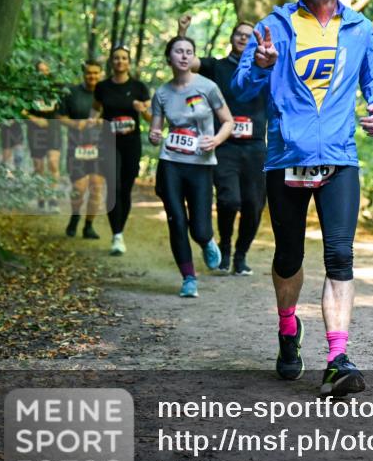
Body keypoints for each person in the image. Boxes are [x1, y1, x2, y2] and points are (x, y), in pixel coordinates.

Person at [233, 0, 373, 397]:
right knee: (289, 257)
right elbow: (241, 89)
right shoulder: (274, 26)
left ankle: (337, 359)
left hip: (339, 157)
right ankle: (288, 327)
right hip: (287, 158)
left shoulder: (359, 28)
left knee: (340, 256)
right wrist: (260, 66)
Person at [176, 15, 262, 276]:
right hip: (224, 145)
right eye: (239, 34)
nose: (243, 38)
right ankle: (224, 249)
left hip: (256, 147)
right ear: (232, 38)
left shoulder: (265, 68)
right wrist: (182, 32)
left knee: (253, 205)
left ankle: (241, 256)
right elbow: (186, 62)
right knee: (229, 200)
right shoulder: (217, 66)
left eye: (249, 35)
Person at [148, 36, 234, 297]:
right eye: (179, 51)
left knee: (199, 227)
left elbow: (228, 121)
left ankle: (206, 240)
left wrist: (216, 140)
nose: (184, 56)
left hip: (200, 164)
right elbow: (155, 129)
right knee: (176, 220)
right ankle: (188, 278)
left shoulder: (208, 87)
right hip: (171, 163)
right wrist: (154, 135)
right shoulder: (162, 93)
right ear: (169, 58)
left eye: (189, 51)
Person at [95, 45, 150, 256]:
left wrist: (142, 110)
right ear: (111, 62)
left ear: (129, 62)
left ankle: (120, 230)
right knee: (114, 186)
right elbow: (96, 109)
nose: (120, 61)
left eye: (124, 58)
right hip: (108, 142)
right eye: (116, 58)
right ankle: (117, 235)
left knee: (125, 189)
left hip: (131, 144)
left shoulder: (139, 87)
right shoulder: (102, 87)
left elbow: (150, 117)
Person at [57, 60, 106, 239]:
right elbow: (59, 116)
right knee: (79, 188)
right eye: (89, 73)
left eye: (95, 73)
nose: (92, 76)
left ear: (101, 74)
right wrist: (76, 124)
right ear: (83, 74)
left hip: (100, 148)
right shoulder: (72, 92)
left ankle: (88, 226)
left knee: (96, 188)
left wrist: (102, 122)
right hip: (76, 147)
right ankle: (75, 216)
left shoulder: (107, 93)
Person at [25, 60, 62, 207]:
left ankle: (53, 197)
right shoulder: (30, 90)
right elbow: (21, 109)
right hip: (35, 132)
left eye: (46, 70)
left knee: (53, 163)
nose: (44, 73)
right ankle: (41, 196)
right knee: (38, 167)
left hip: (53, 130)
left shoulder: (56, 89)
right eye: (40, 70)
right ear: (36, 72)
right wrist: (36, 120)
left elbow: (64, 108)